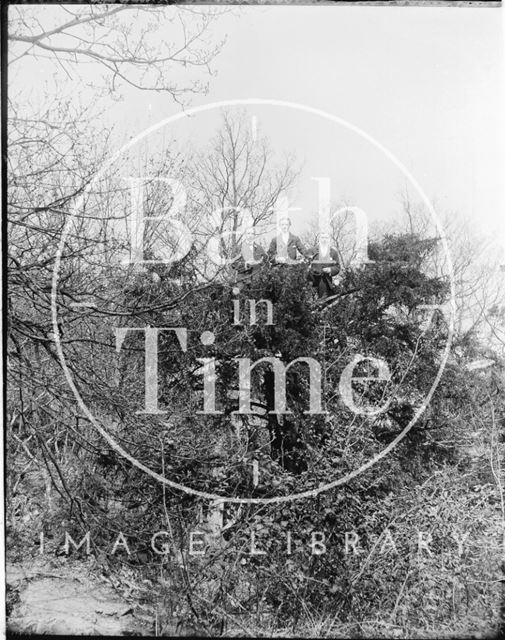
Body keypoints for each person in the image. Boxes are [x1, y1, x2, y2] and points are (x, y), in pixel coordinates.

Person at [308, 231, 340, 299]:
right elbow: (304, 264)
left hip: (326, 282)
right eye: (322, 238)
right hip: (312, 281)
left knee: (324, 302)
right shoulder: (312, 251)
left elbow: (337, 267)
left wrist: (330, 269)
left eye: (326, 238)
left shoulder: (333, 252)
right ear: (319, 239)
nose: (324, 240)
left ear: (329, 240)